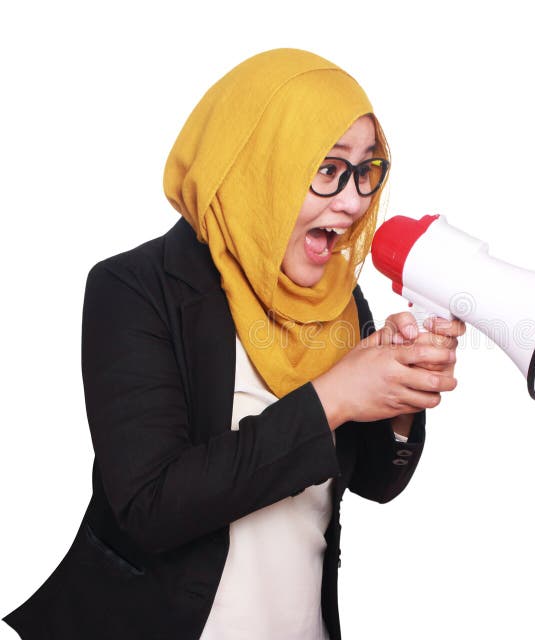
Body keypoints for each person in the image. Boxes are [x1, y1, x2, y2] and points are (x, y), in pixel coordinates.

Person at [3, 48, 464, 640]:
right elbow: (150, 506)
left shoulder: (338, 304)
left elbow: (376, 483)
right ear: (260, 164)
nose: (353, 203)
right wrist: (334, 397)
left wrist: (398, 399)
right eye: (328, 169)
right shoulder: (135, 289)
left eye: (367, 170)